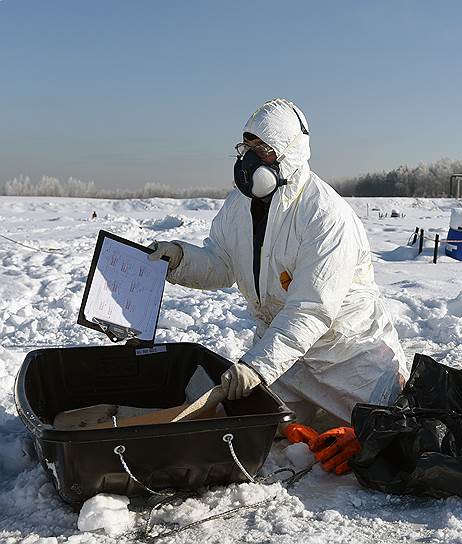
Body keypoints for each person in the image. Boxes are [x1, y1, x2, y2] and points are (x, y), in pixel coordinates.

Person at [149, 98, 408, 474]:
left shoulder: (324, 215)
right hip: (289, 359)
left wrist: (256, 367)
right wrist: (179, 259)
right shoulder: (240, 204)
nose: (249, 160)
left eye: (262, 150)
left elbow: (310, 310)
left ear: (287, 154)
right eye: (246, 148)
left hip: (348, 357)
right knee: (244, 423)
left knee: (389, 435)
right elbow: (222, 262)